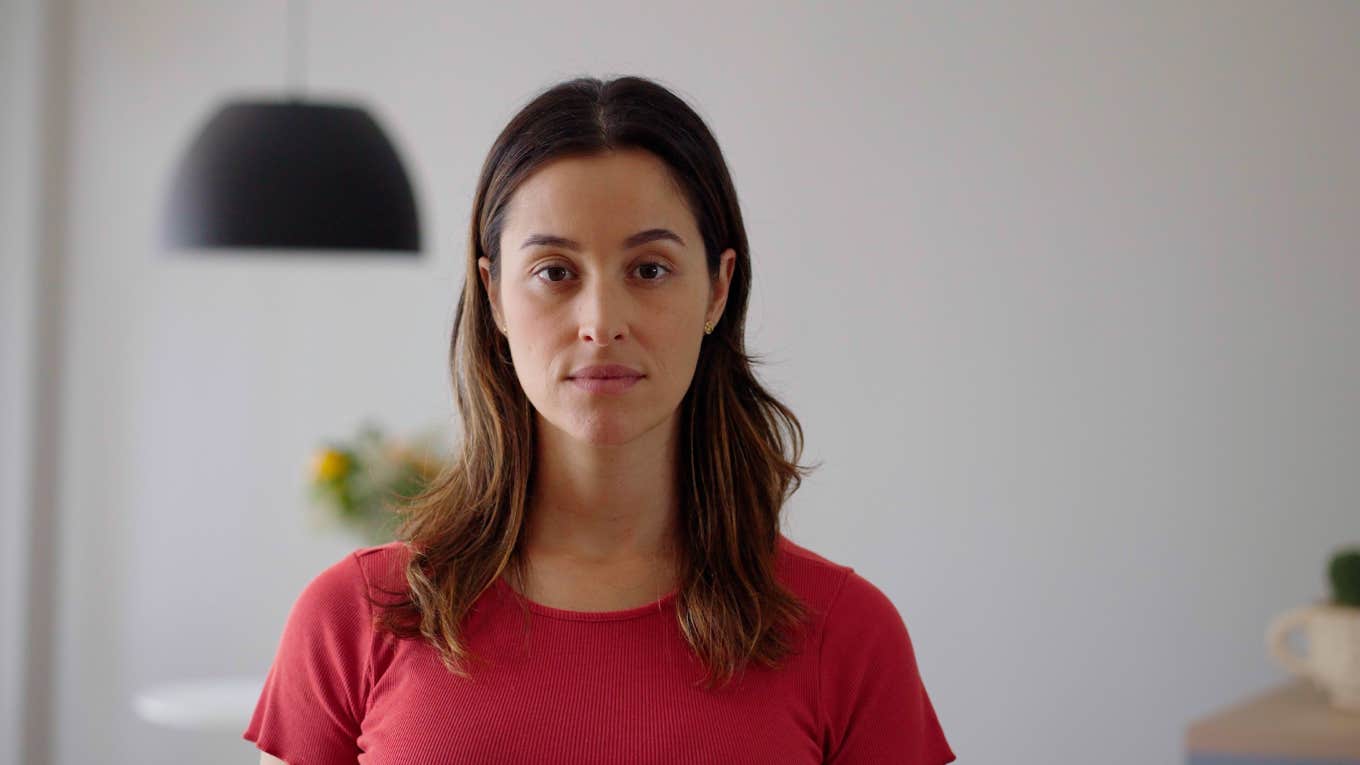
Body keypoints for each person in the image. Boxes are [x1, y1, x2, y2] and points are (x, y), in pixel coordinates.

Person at [244, 74, 955, 764]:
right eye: (555, 271)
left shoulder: (847, 635)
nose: (601, 322)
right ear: (493, 295)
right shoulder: (356, 617)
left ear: (717, 288)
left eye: (648, 269)